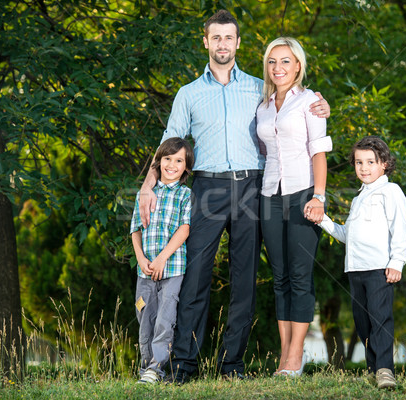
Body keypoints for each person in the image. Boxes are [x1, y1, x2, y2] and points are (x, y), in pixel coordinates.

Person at [137, 10, 330, 382]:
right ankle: (183, 365)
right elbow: (169, 143)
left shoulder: (261, 89)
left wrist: (321, 104)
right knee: (195, 277)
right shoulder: (189, 93)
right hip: (207, 187)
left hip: (252, 187)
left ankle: (232, 365)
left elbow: (295, 110)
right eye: (216, 38)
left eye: (229, 38)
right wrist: (148, 185)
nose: (223, 44)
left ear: (238, 43)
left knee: (244, 279)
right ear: (206, 42)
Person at [256, 37, 331, 377]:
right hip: (270, 194)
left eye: (286, 61)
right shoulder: (264, 106)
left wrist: (319, 196)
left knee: (300, 276)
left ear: (298, 66)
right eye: (273, 62)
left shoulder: (311, 103)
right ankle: (284, 354)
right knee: (280, 276)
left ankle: (296, 357)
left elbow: (319, 152)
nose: (278, 68)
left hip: (303, 194)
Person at [314, 136, 406, 389]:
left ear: (385, 164)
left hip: (380, 268)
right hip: (355, 269)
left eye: (370, 162)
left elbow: (400, 229)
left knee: (380, 319)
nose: (363, 168)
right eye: (358, 162)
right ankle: (372, 370)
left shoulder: (391, 192)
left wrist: (397, 261)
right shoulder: (358, 199)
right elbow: (348, 235)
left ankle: (385, 369)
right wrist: (323, 220)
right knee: (362, 322)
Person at [130, 138, 194, 384]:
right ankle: (146, 367)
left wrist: (161, 259)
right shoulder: (145, 194)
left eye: (179, 160)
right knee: (144, 315)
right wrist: (141, 258)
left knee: (165, 319)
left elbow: (184, 229)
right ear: (158, 162)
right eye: (167, 158)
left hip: (171, 269)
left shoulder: (185, 195)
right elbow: (135, 228)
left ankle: (157, 368)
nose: (172, 164)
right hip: (144, 270)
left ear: (186, 167)